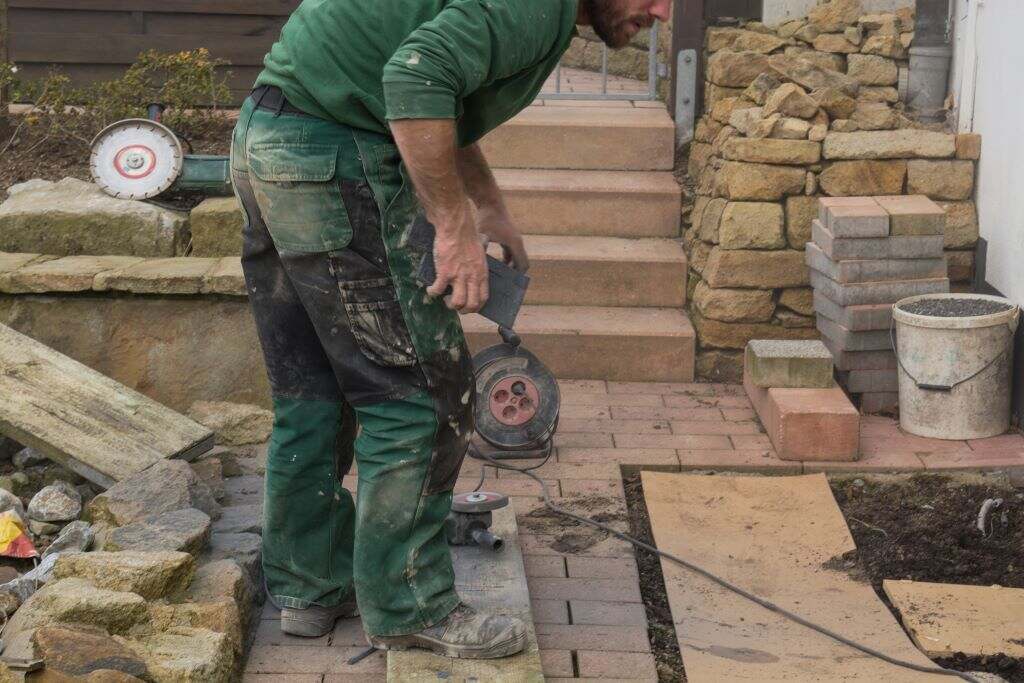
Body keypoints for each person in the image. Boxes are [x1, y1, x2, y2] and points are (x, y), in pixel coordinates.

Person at [230, 0, 671, 659]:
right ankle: (410, 606)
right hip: (329, 159)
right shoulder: (538, 7)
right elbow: (414, 81)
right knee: (423, 396)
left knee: (314, 387)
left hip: (268, 140)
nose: (661, 10)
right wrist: (453, 226)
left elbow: (442, 94)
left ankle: (309, 584)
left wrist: (487, 206)